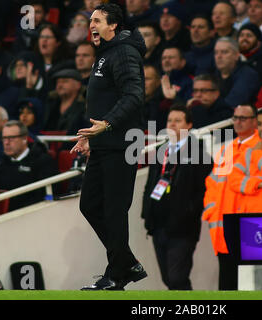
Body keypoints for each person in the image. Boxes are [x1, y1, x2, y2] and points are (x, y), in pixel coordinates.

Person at [70, 3, 147, 291]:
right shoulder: (106, 53)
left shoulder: (124, 52)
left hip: (123, 142)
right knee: (89, 204)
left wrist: (108, 124)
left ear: (113, 25)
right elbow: (104, 100)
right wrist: (90, 135)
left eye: (98, 20)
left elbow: (134, 94)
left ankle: (116, 273)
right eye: (90, 20)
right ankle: (126, 263)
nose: (91, 24)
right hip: (105, 142)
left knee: (114, 210)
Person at [142, 105, 212, 290]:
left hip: (183, 227)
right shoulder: (161, 151)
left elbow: (204, 190)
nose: (172, 124)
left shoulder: (199, 153)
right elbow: (150, 185)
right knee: (168, 279)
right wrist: (146, 213)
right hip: (158, 224)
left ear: (189, 125)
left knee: (177, 277)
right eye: (169, 120)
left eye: (178, 120)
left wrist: (188, 212)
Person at [202, 104, 260, 290]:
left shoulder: (261, 147)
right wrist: (211, 210)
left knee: (248, 285)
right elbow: (211, 183)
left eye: (243, 118)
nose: (238, 122)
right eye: (235, 118)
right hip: (223, 228)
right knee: (227, 286)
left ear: (254, 121)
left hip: (248, 228)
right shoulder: (227, 150)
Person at [0, 121, 57, 212]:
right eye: (4, 138)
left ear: (24, 138)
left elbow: (45, 194)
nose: (6, 142)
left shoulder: (42, 161)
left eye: (11, 138)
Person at [214, 37, 260, 108]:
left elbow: (232, 103)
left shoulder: (248, 75)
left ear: (236, 55)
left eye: (224, 52)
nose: (219, 56)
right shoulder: (213, 75)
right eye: (216, 52)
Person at [43, 68, 88, 136]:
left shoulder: (85, 106)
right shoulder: (51, 104)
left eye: (65, 81)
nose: (60, 85)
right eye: (58, 82)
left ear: (78, 85)